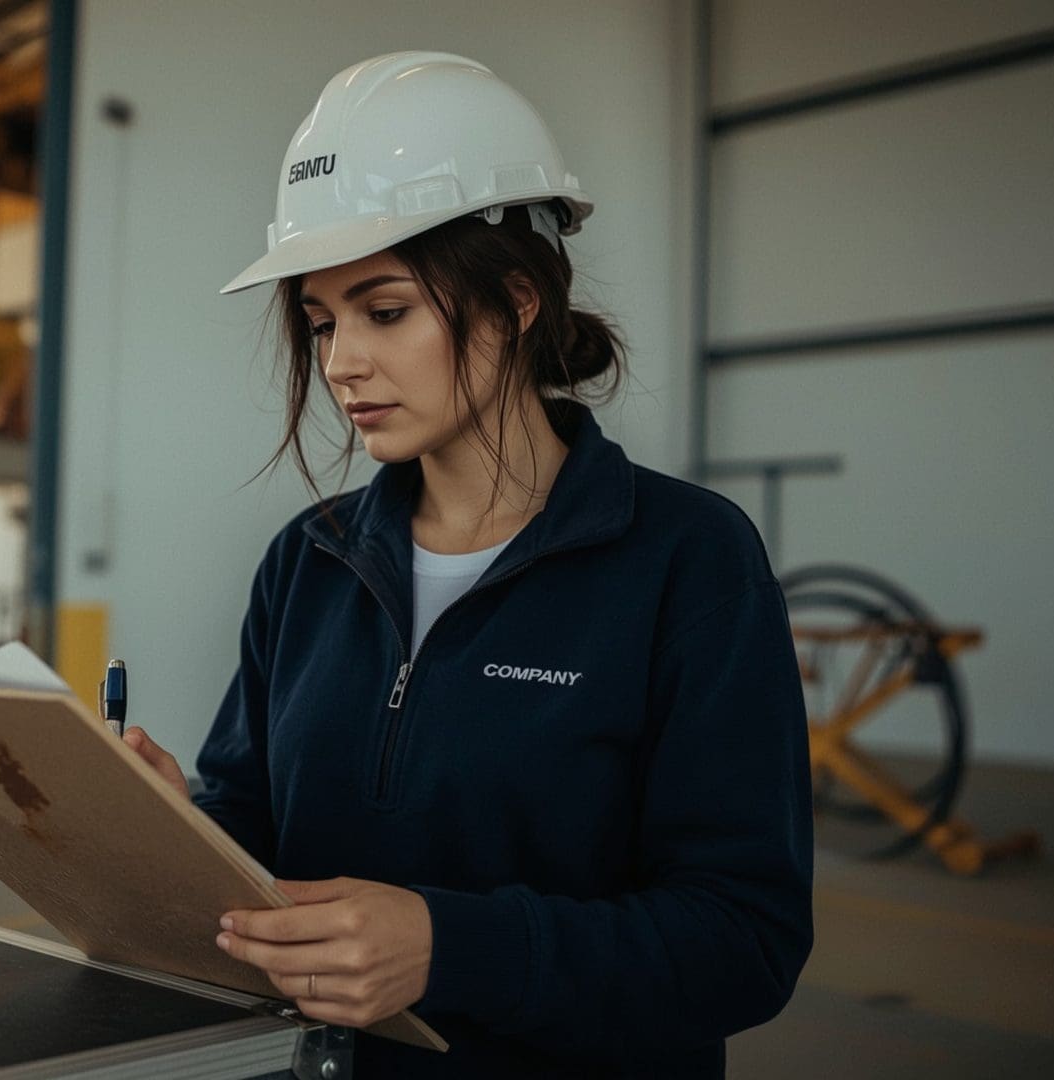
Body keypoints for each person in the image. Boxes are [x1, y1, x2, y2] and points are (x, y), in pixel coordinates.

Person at [120, 51, 812, 1077]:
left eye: (385, 310)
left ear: (519, 300)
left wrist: (452, 949)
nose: (343, 361)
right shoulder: (307, 563)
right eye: (322, 322)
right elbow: (258, 829)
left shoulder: (686, 561)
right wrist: (178, 834)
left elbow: (741, 941)